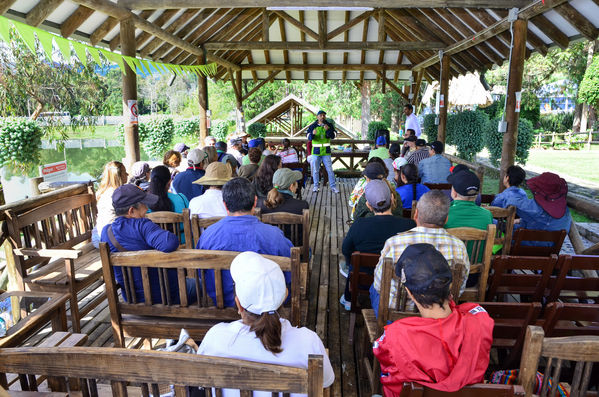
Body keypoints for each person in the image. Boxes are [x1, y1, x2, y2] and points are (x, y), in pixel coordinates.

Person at [197, 251, 335, 395]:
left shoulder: (215, 337)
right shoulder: (309, 342)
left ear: (239, 305)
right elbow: (326, 382)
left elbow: (199, 379)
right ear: (285, 296)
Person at [373, 244, 494, 396]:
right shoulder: (481, 320)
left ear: (409, 292)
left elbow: (392, 384)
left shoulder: (395, 336)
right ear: (449, 284)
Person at [370, 190, 469, 318]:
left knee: (373, 288)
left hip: (396, 315)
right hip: (438, 315)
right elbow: (459, 289)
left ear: (415, 214)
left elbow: (379, 285)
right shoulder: (459, 247)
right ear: (446, 219)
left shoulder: (394, 243)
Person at [197, 177, 293, 307]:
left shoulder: (208, 235)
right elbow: (291, 273)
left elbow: (201, 274)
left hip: (221, 304)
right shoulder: (274, 236)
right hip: (266, 306)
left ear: (224, 204)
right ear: (255, 202)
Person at [100, 184, 193, 304]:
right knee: (203, 283)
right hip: (167, 297)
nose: (147, 209)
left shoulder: (106, 231)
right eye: (144, 205)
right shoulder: (143, 226)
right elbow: (170, 243)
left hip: (132, 300)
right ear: (132, 211)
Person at [340, 180, 416, 310]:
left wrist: (349, 263)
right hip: (397, 283)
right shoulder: (409, 226)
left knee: (351, 262)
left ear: (368, 205)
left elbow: (346, 250)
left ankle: (348, 300)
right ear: (392, 199)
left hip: (362, 281)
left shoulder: (359, 225)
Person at [445, 170, 493, 269]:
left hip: (447, 276)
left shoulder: (444, 214)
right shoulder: (487, 215)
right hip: (474, 276)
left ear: (454, 192)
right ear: (476, 194)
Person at [496, 172, 572, 233]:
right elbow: (542, 221)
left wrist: (509, 191)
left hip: (525, 245)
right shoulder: (566, 212)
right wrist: (520, 220)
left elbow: (512, 201)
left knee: (489, 221)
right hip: (550, 248)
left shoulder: (535, 209)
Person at [93, 161, 128, 248]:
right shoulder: (117, 194)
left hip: (97, 236)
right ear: (118, 176)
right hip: (108, 239)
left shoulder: (104, 192)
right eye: (124, 172)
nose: (127, 174)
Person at [307, 110, 338, 194]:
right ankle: (316, 186)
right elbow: (308, 137)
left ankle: (333, 187)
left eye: (324, 115)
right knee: (316, 170)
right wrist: (312, 134)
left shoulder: (329, 125)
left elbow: (333, 136)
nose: (322, 117)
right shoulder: (312, 126)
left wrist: (328, 130)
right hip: (316, 152)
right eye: (320, 115)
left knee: (330, 170)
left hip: (326, 152)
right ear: (317, 116)